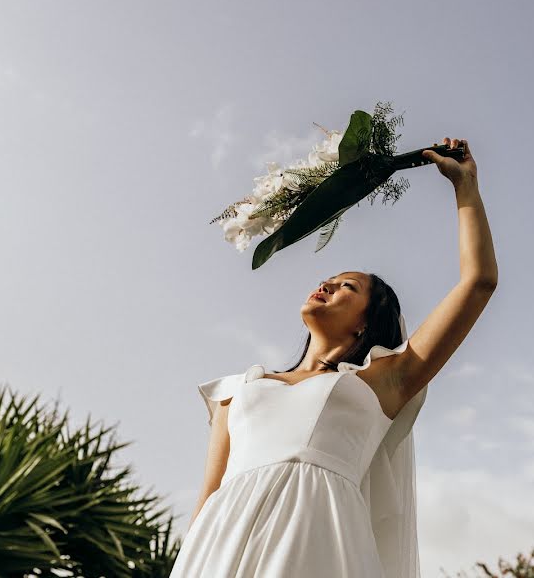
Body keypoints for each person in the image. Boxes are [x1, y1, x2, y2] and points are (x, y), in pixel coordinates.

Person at [169, 137, 498, 577]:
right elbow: (208, 499)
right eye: (327, 277)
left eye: (347, 285)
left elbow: (478, 282)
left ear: (367, 323)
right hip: (222, 548)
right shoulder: (237, 389)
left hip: (323, 544)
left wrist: (465, 187)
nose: (325, 284)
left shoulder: (383, 382)